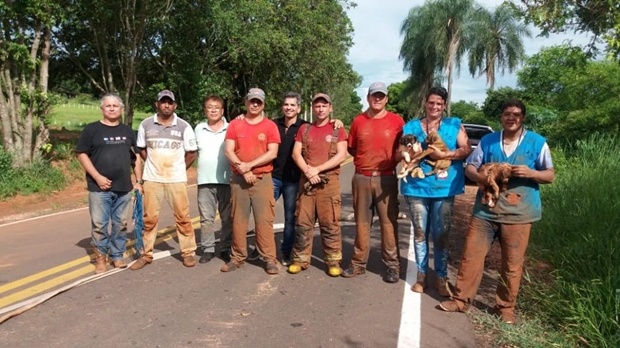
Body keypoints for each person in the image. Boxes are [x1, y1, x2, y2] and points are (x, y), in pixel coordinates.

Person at [439, 99, 554, 324]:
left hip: (519, 213)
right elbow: (471, 166)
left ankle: (505, 307)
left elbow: (550, 175)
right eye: (507, 114)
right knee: (471, 256)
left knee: (512, 263)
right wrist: (483, 177)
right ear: (501, 117)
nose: (511, 117)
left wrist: (530, 173)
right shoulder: (489, 140)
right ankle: (461, 300)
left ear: (523, 117)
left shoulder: (537, 143)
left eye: (516, 114)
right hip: (485, 211)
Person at [246, 92, 344, 266]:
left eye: (293, 105)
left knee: (292, 218)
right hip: (273, 177)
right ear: (282, 107)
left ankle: (286, 252)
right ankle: (261, 248)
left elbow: (335, 147)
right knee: (264, 216)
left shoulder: (304, 126)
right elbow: (253, 122)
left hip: (294, 180)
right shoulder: (272, 124)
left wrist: (337, 121)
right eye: (286, 104)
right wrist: (241, 116)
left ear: (299, 108)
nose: (289, 108)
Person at [400, 86, 471, 297]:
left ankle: (441, 277)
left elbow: (466, 150)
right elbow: (403, 150)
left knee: (441, 234)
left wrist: (444, 154)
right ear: (426, 103)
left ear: (444, 105)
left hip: (444, 187)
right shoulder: (411, 126)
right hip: (416, 188)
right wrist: (409, 154)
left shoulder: (454, 124)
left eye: (439, 103)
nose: (435, 106)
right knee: (421, 233)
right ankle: (421, 275)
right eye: (431, 102)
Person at [342, 81, 405, 284]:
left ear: (386, 99)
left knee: (388, 223)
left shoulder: (397, 122)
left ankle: (392, 265)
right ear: (368, 98)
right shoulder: (358, 121)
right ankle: (358, 263)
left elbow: (404, 148)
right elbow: (352, 149)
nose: (377, 99)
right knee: (362, 222)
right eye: (373, 95)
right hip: (361, 177)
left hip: (385, 177)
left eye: (381, 96)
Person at [130, 89, 198, 270]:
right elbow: (142, 149)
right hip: (152, 179)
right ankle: (146, 254)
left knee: (183, 217)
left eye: (170, 102)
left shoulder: (184, 126)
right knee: (149, 218)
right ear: (157, 104)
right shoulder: (146, 125)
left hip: (176, 179)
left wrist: (179, 168)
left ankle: (188, 252)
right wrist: (152, 164)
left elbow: (192, 153)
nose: (166, 105)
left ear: (174, 105)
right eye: (163, 102)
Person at [76, 93, 143, 274]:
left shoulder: (128, 131)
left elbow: (135, 156)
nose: (112, 108)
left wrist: (138, 181)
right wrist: (97, 177)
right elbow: (81, 154)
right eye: (108, 105)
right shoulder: (92, 130)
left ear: (121, 109)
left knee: (120, 223)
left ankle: (117, 255)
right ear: (102, 108)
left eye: (115, 105)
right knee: (100, 225)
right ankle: (100, 258)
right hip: (99, 187)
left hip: (124, 186)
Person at [220, 88, 281, 275]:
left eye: (259, 102)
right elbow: (228, 151)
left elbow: (273, 152)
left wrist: (249, 166)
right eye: (252, 101)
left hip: (262, 179)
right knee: (238, 220)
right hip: (239, 180)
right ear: (246, 102)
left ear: (263, 104)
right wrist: (242, 168)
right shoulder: (235, 125)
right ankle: (237, 257)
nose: (255, 104)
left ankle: (269, 258)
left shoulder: (270, 126)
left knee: (265, 220)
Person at [288, 93, 348, 276]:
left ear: (330, 108)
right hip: (306, 183)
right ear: (313, 109)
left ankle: (333, 261)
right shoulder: (304, 129)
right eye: (317, 106)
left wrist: (318, 170)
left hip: (328, 183)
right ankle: (300, 259)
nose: (320, 109)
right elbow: (296, 153)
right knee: (302, 223)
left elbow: (341, 155)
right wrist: (308, 171)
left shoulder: (338, 130)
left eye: (324, 106)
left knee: (330, 223)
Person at [194, 95, 233, 263]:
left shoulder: (231, 128)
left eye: (217, 107)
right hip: (205, 181)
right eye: (210, 107)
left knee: (227, 217)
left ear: (222, 110)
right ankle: (208, 249)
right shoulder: (198, 128)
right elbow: (191, 152)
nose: (213, 110)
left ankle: (225, 248)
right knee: (206, 218)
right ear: (205, 110)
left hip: (227, 180)